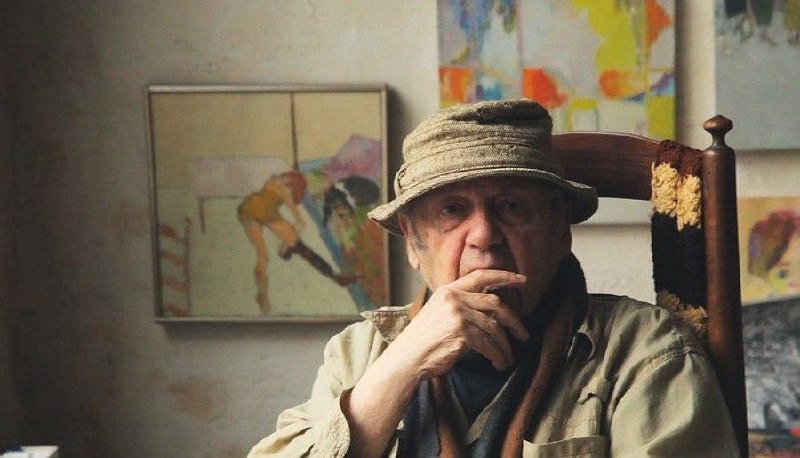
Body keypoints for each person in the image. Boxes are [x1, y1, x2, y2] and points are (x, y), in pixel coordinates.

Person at [247, 99, 738, 456]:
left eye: (512, 207)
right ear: (413, 244)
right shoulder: (358, 355)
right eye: (452, 210)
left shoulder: (645, 353)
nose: (484, 235)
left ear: (560, 232)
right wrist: (401, 366)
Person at [238, 170, 358, 314]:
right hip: (266, 212)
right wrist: (291, 238)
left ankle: (262, 294)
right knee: (299, 247)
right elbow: (301, 222)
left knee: (263, 255)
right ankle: (334, 277)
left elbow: (298, 220)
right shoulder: (285, 192)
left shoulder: (272, 181)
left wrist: (289, 238)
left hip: (247, 208)